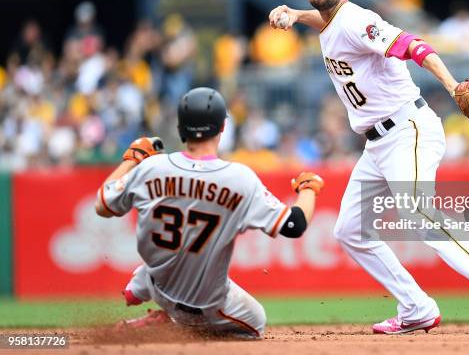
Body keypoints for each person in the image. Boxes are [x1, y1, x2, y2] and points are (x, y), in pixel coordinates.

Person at [269, 0, 469, 335]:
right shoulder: (334, 21)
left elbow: (414, 46)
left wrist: (453, 86)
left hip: (409, 129)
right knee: (349, 232)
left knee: (416, 211)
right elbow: (324, 19)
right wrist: (293, 13)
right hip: (377, 144)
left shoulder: (358, 21)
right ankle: (416, 307)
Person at [94, 87, 324, 338]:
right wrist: (308, 188)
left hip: (158, 285)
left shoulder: (152, 166)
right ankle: (175, 324)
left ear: (180, 128)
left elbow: (103, 205)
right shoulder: (239, 178)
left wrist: (133, 159)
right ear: (223, 127)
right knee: (256, 323)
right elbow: (294, 225)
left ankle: (139, 287)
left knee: (173, 247)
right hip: (203, 305)